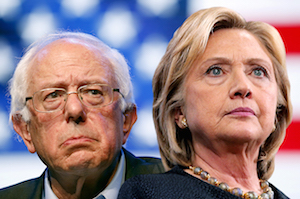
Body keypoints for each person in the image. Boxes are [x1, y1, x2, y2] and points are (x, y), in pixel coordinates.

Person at [118, 7, 292, 199]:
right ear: (178, 110)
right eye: (216, 71)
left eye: (258, 71)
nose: (243, 86)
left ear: (278, 110)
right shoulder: (150, 194)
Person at [0, 31, 164, 199]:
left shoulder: (184, 190)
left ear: (126, 119)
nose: (75, 109)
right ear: (25, 130)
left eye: (94, 92)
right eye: (53, 95)